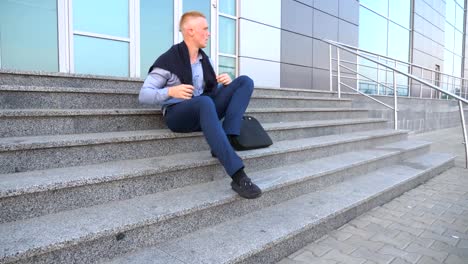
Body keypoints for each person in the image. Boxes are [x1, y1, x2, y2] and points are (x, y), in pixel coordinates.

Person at [139, 11, 262, 199]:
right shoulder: (168, 61)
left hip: (204, 109)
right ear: (190, 31)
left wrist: (224, 83)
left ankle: (225, 139)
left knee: (244, 81)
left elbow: (208, 91)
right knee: (205, 102)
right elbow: (144, 95)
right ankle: (238, 176)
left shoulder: (206, 61)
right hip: (178, 115)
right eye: (204, 29)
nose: (208, 33)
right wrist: (171, 92)